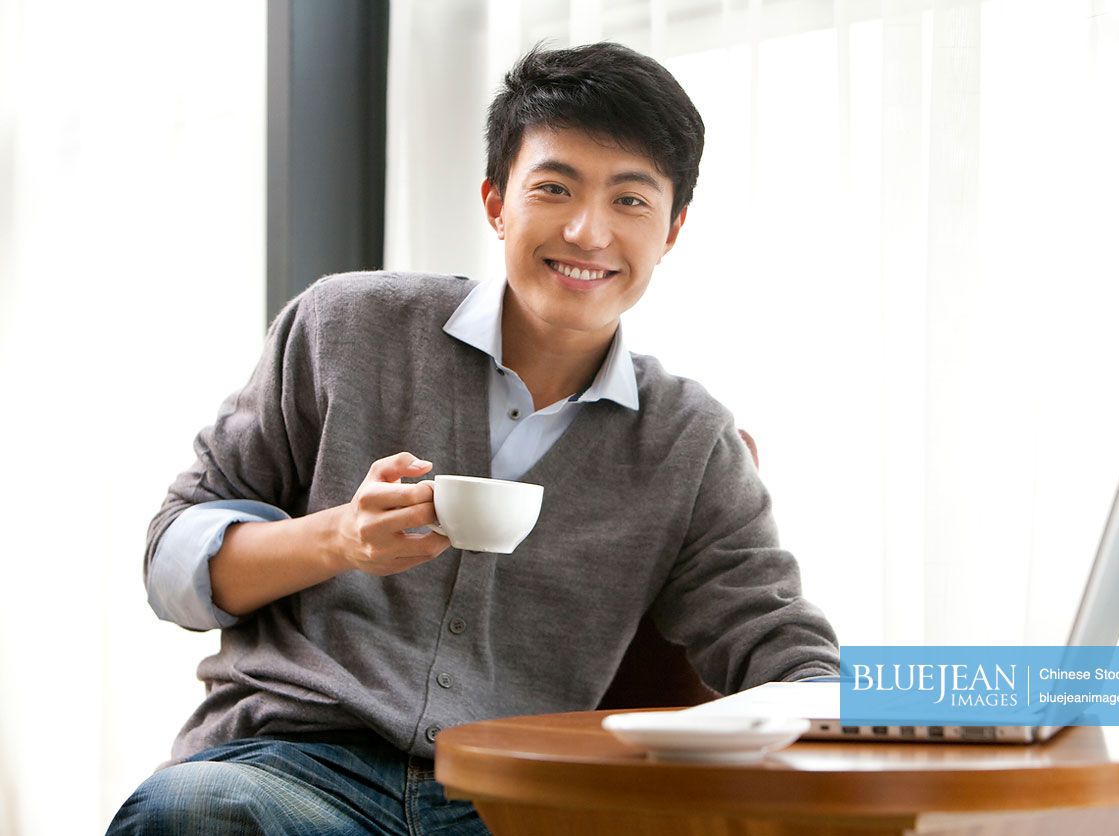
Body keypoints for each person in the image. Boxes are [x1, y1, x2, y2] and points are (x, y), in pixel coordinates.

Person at [107, 41, 839, 835]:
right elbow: (171, 564)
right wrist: (341, 540)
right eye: (554, 188)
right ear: (496, 203)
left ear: (672, 229)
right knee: (194, 816)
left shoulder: (688, 441)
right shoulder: (344, 327)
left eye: (630, 201)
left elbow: (779, 644)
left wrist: (916, 703)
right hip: (292, 771)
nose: (588, 232)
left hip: (516, 801)